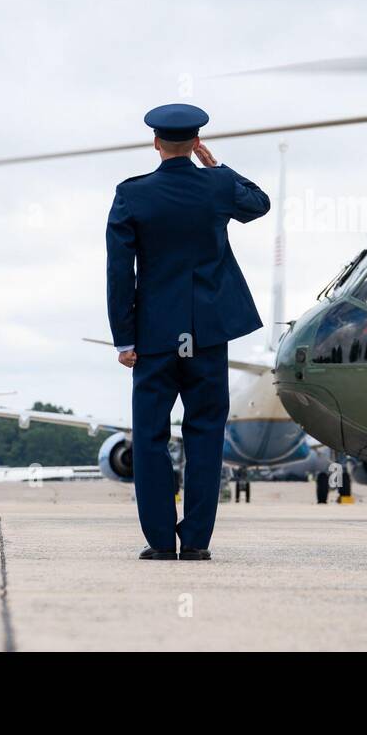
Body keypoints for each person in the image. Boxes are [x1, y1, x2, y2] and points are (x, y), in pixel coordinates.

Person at [106, 103, 270, 560]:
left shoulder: (132, 194)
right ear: (196, 142)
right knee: (205, 436)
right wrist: (215, 165)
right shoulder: (217, 186)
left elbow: (120, 271)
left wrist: (124, 338)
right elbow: (259, 203)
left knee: (151, 436)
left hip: (155, 335)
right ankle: (196, 541)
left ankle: (160, 542)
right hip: (208, 334)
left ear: (155, 143)